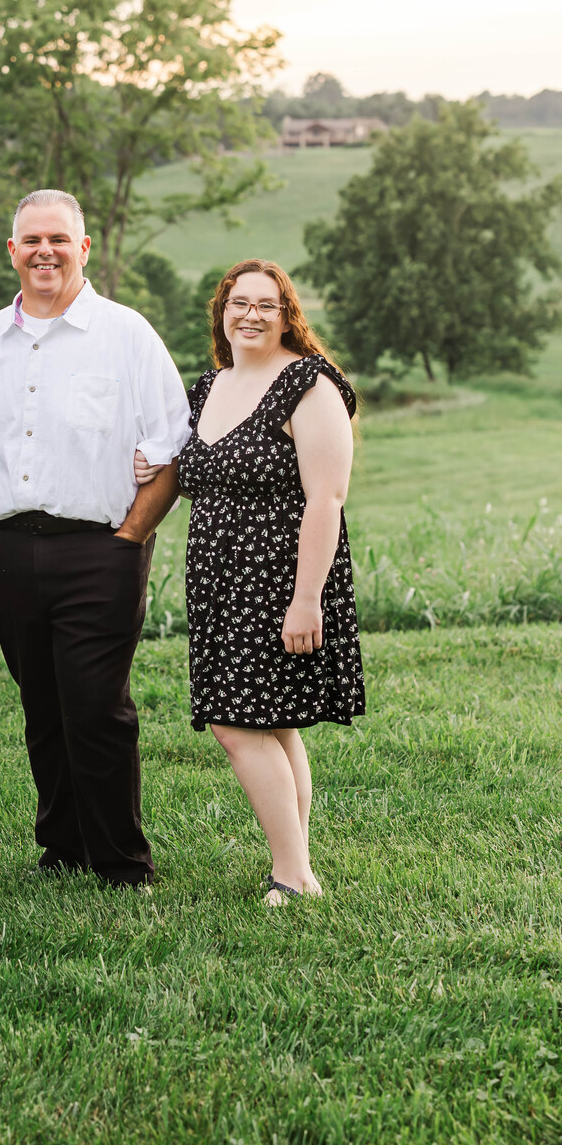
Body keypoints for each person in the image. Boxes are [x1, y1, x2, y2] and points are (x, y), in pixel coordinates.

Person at [0, 189, 190, 889]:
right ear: (12, 251)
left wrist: (130, 536)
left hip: (102, 548)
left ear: (83, 248)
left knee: (97, 705)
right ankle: (60, 848)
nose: (45, 251)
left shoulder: (126, 335)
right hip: (5, 548)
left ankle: (122, 862)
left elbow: (173, 445)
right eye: (31, 240)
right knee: (41, 702)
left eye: (59, 239)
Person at [176, 258, 365, 906]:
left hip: (280, 582)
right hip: (218, 587)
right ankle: (298, 864)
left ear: (288, 316)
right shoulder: (208, 386)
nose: (251, 314)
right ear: (222, 309)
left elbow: (327, 499)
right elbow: (192, 474)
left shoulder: (308, 384)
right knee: (274, 724)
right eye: (239, 302)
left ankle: (291, 872)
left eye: (267, 305)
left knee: (237, 726)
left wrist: (306, 599)